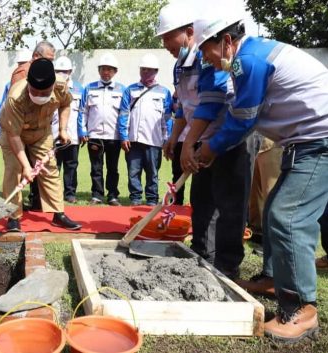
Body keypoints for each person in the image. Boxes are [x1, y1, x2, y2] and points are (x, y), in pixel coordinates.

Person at [195, 11, 328, 342]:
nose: (206, 60)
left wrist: (209, 148)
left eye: (205, 51)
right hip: (307, 141)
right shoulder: (255, 55)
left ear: (226, 41)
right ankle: (272, 278)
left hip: (320, 141)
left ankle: (301, 312)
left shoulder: (248, 62)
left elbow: (243, 121)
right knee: (276, 212)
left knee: (287, 217)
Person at [158, 3, 258, 281]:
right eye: (163, 39)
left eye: (168, 36)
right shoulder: (180, 64)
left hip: (228, 137)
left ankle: (227, 266)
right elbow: (183, 106)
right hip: (200, 138)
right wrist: (175, 138)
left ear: (189, 32)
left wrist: (188, 142)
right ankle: (202, 253)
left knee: (229, 202)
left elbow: (211, 103)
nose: (165, 44)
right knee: (202, 198)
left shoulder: (207, 58)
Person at [0, 58, 81, 232]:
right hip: (14, 133)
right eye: (34, 91)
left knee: (49, 169)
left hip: (41, 132)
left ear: (52, 86)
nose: (38, 96)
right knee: (14, 170)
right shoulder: (15, 97)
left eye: (44, 93)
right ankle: (13, 216)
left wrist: (63, 129)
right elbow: (14, 136)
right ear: (28, 83)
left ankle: (58, 214)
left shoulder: (60, 86)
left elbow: (66, 104)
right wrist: (26, 167)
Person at [118, 53, 173, 206]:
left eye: (149, 70)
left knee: (153, 173)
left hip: (154, 141)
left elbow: (167, 118)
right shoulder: (130, 90)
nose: (146, 72)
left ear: (156, 71)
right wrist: (123, 136)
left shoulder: (164, 92)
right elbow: (123, 115)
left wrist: (167, 140)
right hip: (133, 140)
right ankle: (135, 198)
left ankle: (151, 199)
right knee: (133, 171)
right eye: (143, 69)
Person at [78, 53, 125, 206]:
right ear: (99, 71)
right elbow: (83, 111)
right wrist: (83, 131)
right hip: (95, 135)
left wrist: (124, 135)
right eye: (103, 69)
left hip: (114, 135)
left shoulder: (122, 90)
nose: (106, 72)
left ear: (115, 72)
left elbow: (125, 114)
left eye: (109, 70)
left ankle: (112, 195)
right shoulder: (89, 89)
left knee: (113, 168)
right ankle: (97, 194)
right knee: (96, 167)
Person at [51, 56, 83, 203]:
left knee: (71, 166)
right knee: (53, 166)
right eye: (58, 71)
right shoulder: (49, 87)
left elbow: (83, 112)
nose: (61, 74)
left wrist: (83, 132)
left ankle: (70, 193)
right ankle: (53, 194)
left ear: (70, 71)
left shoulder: (78, 89)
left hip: (72, 135)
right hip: (53, 135)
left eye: (64, 71)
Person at [248, 133, 282, 242]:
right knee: (254, 192)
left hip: (272, 140)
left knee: (271, 191)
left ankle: (274, 238)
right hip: (254, 139)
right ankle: (257, 231)